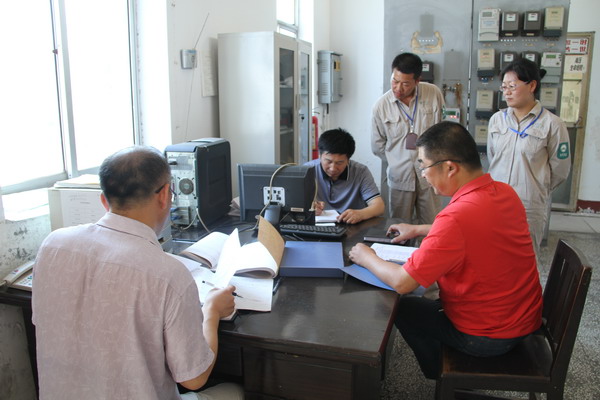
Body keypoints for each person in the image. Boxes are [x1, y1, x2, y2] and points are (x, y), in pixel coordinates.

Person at [32, 146, 244, 400]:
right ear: (164, 195)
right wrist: (211, 311)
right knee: (236, 391)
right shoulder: (168, 275)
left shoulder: (52, 245)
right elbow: (194, 378)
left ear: (103, 200)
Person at [350, 122, 542, 380]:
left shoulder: (455, 217)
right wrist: (418, 229)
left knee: (403, 308)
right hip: (523, 319)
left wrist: (366, 257)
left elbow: (402, 282)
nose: (423, 175)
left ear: (450, 168)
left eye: (424, 166)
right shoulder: (504, 192)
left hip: (488, 337)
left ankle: (441, 375)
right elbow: (475, 230)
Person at [488, 57, 571, 256]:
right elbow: (492, 158)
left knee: (524, 258)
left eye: (512, 86)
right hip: (495, 203)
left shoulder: (552, 124)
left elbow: (560, 169)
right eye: (504, 87)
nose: (506, 92)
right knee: (492, 256)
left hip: (529, 207)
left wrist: (536, 187)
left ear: (532, 85)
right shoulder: (497, 120)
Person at [372, 52, 445, 223]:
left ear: (417, 80)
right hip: (400, 177)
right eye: (395, 81)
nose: (398, 88)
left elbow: (442, 130)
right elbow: (377, 146)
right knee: (399, 226)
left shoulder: (433, 93)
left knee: (432, 225)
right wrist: (396, 160)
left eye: (405, 84)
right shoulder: (381, 106)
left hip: (430, 174)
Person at [304, 128, 384, 224]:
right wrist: (308, 206)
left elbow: (379, 206)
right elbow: (293, 204)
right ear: (320, 156)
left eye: (339, 163)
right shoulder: (307, 171)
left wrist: (361, 214)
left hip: (352, 225)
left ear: (348, 160)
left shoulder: (360, 172)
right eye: (328, 161)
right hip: (318, 226)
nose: (333, 168)